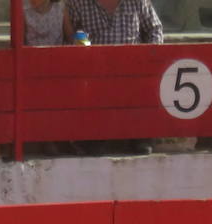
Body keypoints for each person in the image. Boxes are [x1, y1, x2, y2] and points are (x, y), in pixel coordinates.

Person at [64, 0, 164, 154]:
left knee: (144, 86)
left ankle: (141, 136)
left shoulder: (138, 2)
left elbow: (155, 29)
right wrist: (81, 49)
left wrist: (148, 58)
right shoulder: (78, 3)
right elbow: (68, 33)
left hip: (132, 70)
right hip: (95, 72)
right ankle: (93, 138)